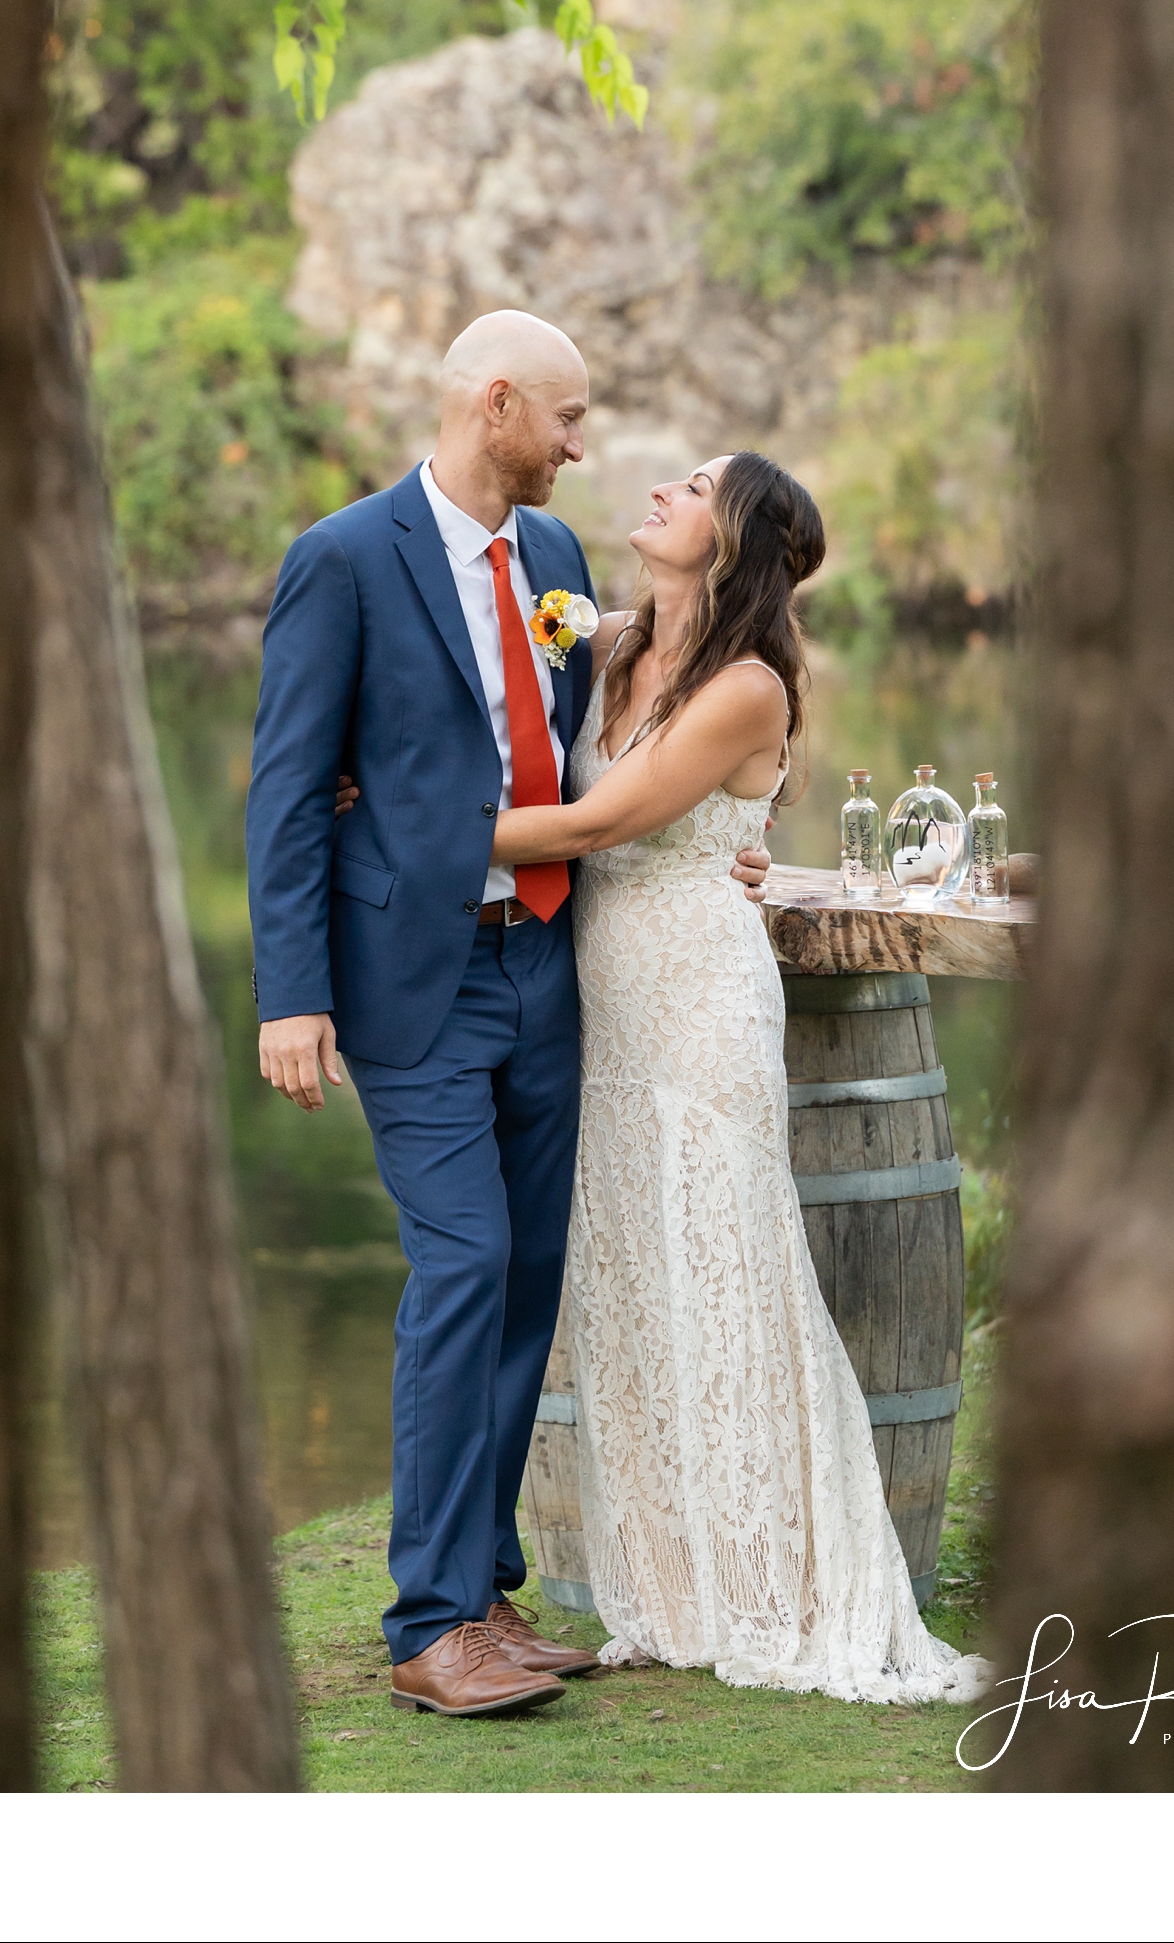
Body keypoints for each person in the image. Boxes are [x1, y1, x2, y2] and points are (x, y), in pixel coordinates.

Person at [246, 313, 773, 1719]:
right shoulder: (343, 558)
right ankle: (427, 1625)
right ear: (497, 406)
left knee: (529, 1270)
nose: (584, 444)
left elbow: (625, 734)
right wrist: (291, 991)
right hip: (410, 974)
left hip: (546, 960)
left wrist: (726, 826)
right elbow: (289, 790)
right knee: (466, 1260)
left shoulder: (553, 562)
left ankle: (482, 1585)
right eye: (570, 416)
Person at [488, 451, 991, 1705]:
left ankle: (776, 1585)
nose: (662, 484)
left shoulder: (745, 686)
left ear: (738, 537)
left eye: (696, 483)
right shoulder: (604, 645)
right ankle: (665, 1588)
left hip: (700, 996)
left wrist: (402, 822)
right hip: (599, 995)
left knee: (725, 1272)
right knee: (629, 1278)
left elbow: (603, 824)